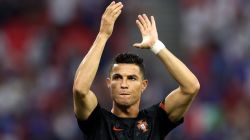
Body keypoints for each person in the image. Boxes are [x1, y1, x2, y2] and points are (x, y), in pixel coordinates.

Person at [73, 1, 200, 140]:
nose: (124, 84)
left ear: (144, 85)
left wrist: (156, 46)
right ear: (109, 83)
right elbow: (80, 89)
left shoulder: (155, 120)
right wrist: (103, 35)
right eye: (117, 77)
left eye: (131, 78)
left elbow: (191, 87)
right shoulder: (97, 121)